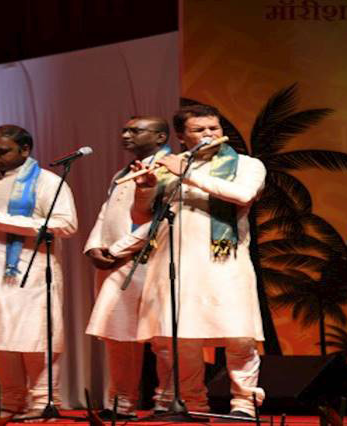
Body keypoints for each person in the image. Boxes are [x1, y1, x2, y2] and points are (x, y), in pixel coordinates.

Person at [111, 104, 266, 417]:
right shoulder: (168, 166)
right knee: (181, 339)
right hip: (173, 264)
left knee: (239, 336)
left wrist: (187, 174)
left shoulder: (247, 165)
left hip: (224, 262)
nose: (209, 134)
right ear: (182, 137)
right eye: (199, 130)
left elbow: (242, 195)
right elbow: (142, 218)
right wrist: (145, 190)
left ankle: (244, 404)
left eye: (214, 128)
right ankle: (193, 404)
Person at [0, 125, 78, 416]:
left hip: (28, 270)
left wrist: (1, 220)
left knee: (34, 335)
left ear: (25, 150)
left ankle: (44, 401)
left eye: (2, 151)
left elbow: (66, 225)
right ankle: (12, 402)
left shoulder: (47, 182)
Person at [83, 116, 172, 419]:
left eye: (136, 130)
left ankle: (166, 402)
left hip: (151, 262)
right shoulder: (122, 172)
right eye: (124, 129)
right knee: (117, 334)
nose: (125, 135)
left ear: (160, 137)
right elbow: (106, 213)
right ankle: (122, 404)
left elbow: (162, 219)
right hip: (115, 264)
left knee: (161, 338)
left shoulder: (170, 169)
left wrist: (118, 249)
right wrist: (94, 246)